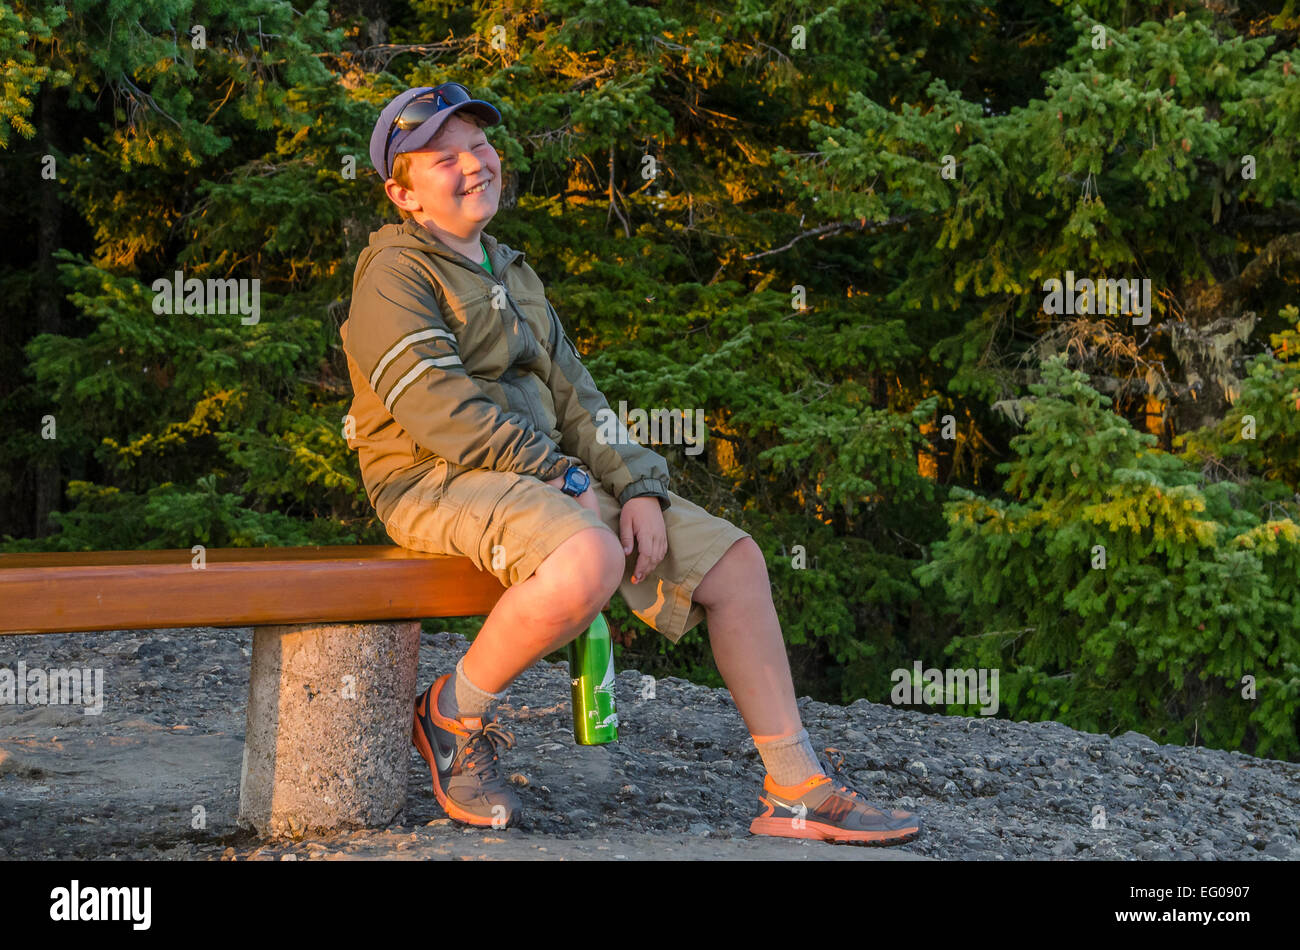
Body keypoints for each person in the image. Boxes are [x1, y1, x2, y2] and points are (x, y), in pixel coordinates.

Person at [338, 82, 923, 846]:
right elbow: (440, 413)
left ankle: (794, 787)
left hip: (538, 477)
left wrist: (634, 484)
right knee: (589, 558)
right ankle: (452, 713)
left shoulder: (509, 270)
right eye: (443, 159)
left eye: (479, 147)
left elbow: (581, 398)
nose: (473, 165)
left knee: (736, 563)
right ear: (403, 193)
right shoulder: (394, 275)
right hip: (434, 479)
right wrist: (566, 480)